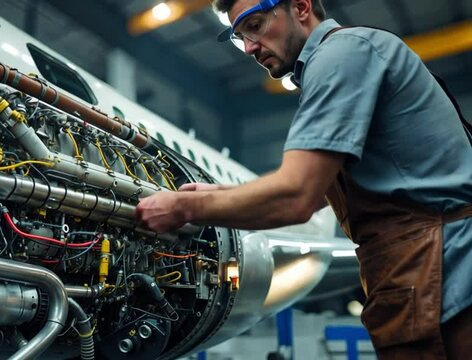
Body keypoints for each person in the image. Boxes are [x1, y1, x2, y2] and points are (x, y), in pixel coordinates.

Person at [134, 0, 472, 358]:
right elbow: (319, 187)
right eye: (239, 37)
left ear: (301, 7)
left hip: (446, 273)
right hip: (430, 271)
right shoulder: (351, 54)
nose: (249, 47)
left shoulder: (341, 55)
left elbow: (297, 197)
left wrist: (186, 206)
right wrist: (219, 192)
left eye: (256, 25)